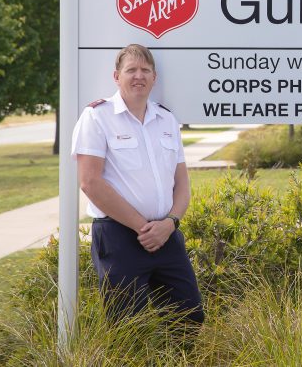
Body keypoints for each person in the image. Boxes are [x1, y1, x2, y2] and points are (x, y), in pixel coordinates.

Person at [71, 44, 204, 324]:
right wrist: (143, 228)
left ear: (154, 77)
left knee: (189, 317)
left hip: (167, 235)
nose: (138, 76)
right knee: (129, 328)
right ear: (116, 76)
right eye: (131, 70)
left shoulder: (166, 119)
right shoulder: (96, 117)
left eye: (145, 70)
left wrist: (170, 223)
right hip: (119, 237)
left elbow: (182, 184)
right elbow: (89, 182)